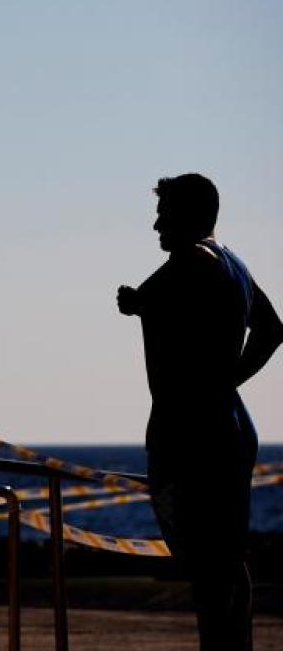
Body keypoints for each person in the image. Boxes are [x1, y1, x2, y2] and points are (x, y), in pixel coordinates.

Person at [117, 173, 282, 651]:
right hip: (229, 424)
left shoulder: (190, 261)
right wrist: (227, 381)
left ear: (190, 215)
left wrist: (139, 303)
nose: (156, 227)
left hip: (192, 436)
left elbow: (149, 298)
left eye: (164, 215)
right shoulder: (233, 264)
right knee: (227, 562)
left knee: (208, 569)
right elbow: (272, 330)